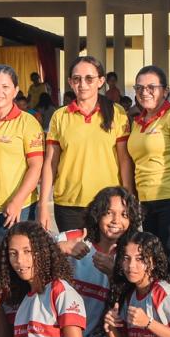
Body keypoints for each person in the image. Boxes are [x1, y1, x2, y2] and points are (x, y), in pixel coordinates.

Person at [55, 187, 141, 337]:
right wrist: (60, 248)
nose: (115, 220)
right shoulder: (73, 238)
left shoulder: (130, 256)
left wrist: (116, 276)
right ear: (97, 213)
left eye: (124, 215)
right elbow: (27, 255)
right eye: (108, 212)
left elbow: (138, 300)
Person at [40, 55, 128, 233]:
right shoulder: (60, 116)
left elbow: (125, 160)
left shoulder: (117, 113)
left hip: (108, 204)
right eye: (77, 79)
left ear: (101, 81)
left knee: (107, 260)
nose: (83, 84)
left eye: (89, 78)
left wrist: (127, 200)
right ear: (70, 82)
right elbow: (51, 162)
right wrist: (42, 205)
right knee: (73, 260)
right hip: (68, 205)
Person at [119, 65, 170, 251]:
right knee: (155, 262)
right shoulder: (138, 122)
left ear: (165, 91)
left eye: (151, 87)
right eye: (139, 88)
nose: (144, 92)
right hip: (147, 203)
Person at [0, 64, 44, 238]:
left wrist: (17, 201)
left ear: (15, 90)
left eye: (5, 87)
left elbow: (35, 166)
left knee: (19, 262)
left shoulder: (28, 122)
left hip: (19, 210)